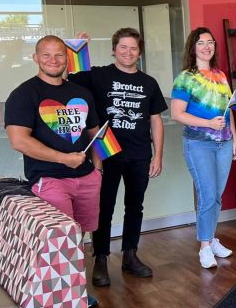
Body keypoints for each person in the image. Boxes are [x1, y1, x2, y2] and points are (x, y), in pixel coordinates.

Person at [4, 35, 102, 307]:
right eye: (46, 55)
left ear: (67, 58)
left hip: (86, 179)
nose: (53, 60)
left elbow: (95, 133)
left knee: (79, 238)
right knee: (58, 241)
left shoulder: (81, 94)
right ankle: (59, 301)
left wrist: (98, 168)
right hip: (50, 180)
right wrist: (63, 159)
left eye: (59, 54)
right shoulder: (23, 94)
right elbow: (18, 141)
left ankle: (76, 291)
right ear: (35, 58)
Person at [69, 28, 167, 286]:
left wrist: (158, 156)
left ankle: (130, 255)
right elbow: (69, 77)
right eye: (123, 47)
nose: (127, 52)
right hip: (106, 152)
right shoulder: (99, 75)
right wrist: (77, 47)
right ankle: (100, 259)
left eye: (133, 48)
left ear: (140, 52)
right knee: (104, 207)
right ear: (114, 49)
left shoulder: (149, 83)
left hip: (139, 153)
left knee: (135, 206)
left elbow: (156, 121)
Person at [171, 27, 236, 269]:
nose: (207, 47)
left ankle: (211, 238)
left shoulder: (220, 75)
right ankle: (204, 247)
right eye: (201, 43)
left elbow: (228, 108)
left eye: (210, 42)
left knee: (216, 196)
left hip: (224, 143)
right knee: (208, 195)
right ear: (193, 47)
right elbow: (176, 114)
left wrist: (235, 140)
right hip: (198, 143)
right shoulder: (186, 78)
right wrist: (208, 123)